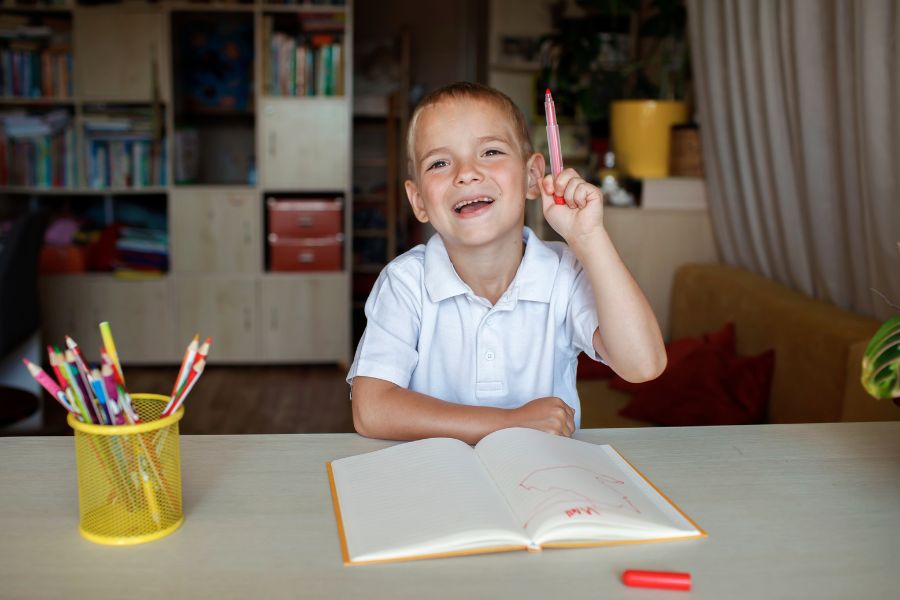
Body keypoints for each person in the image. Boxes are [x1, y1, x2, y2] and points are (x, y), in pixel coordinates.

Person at [347, 82, 666, 444]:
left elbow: (644, 365)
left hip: (544, 485)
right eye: (440, 162)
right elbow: (371, 409)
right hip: (435, 488)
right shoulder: (404, 283)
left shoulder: (565, 272)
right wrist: (508, 421)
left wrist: (588, 238)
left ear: (532, 177)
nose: (466, 173)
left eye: (491, 152)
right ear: (418, 199)